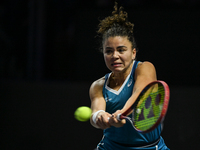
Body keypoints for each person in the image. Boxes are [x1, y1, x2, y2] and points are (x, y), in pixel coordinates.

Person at [89, 2, 169, 150]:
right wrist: (100, 117)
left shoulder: (145, 68)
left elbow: (140, 93)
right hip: (110, 147)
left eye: (121, 50)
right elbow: (96, 111)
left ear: (133, 53)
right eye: (108, 51)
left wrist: (122, 112)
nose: (115, 56)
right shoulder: (98, 85)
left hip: (150, 148)